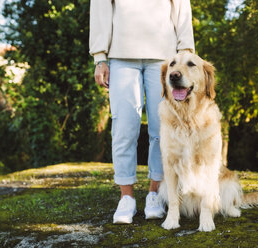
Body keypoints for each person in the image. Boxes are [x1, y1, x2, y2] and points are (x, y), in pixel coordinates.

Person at [89, 0, 195, 224]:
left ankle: (155, 193)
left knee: (162, 129)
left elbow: (182, 9)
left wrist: (185, 54)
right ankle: (126, 197)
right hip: (121, 57)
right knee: (124, 128)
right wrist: (100, 58)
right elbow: (100, 8)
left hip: (165, 59)